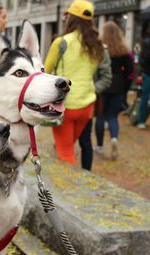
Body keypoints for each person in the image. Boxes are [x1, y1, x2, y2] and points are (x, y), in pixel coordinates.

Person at [44, 0, 104, 164]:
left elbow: (45, 72)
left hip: (66, 105)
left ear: (71, 18)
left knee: (65, 154)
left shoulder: (61, 42)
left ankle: (74, 188)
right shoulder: (96, 45)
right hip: (87, 105)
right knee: (68, 146)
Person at [94, 21, 133, 161]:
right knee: (112, 116)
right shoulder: (122, 49)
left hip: (103, 85)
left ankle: (99, 146)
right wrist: (124, 85)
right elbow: (130, 70)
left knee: (100, 116)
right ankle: (114, 138)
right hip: (118, 85)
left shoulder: (99, 48)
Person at [78, 45, 112, 170]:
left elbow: (106, 77)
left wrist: (91, 89)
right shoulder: (66, 44)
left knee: (85, 141)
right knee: (65, 146)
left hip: (87, 102)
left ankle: (86, 175)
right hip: (67, 101)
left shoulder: (99, 49)